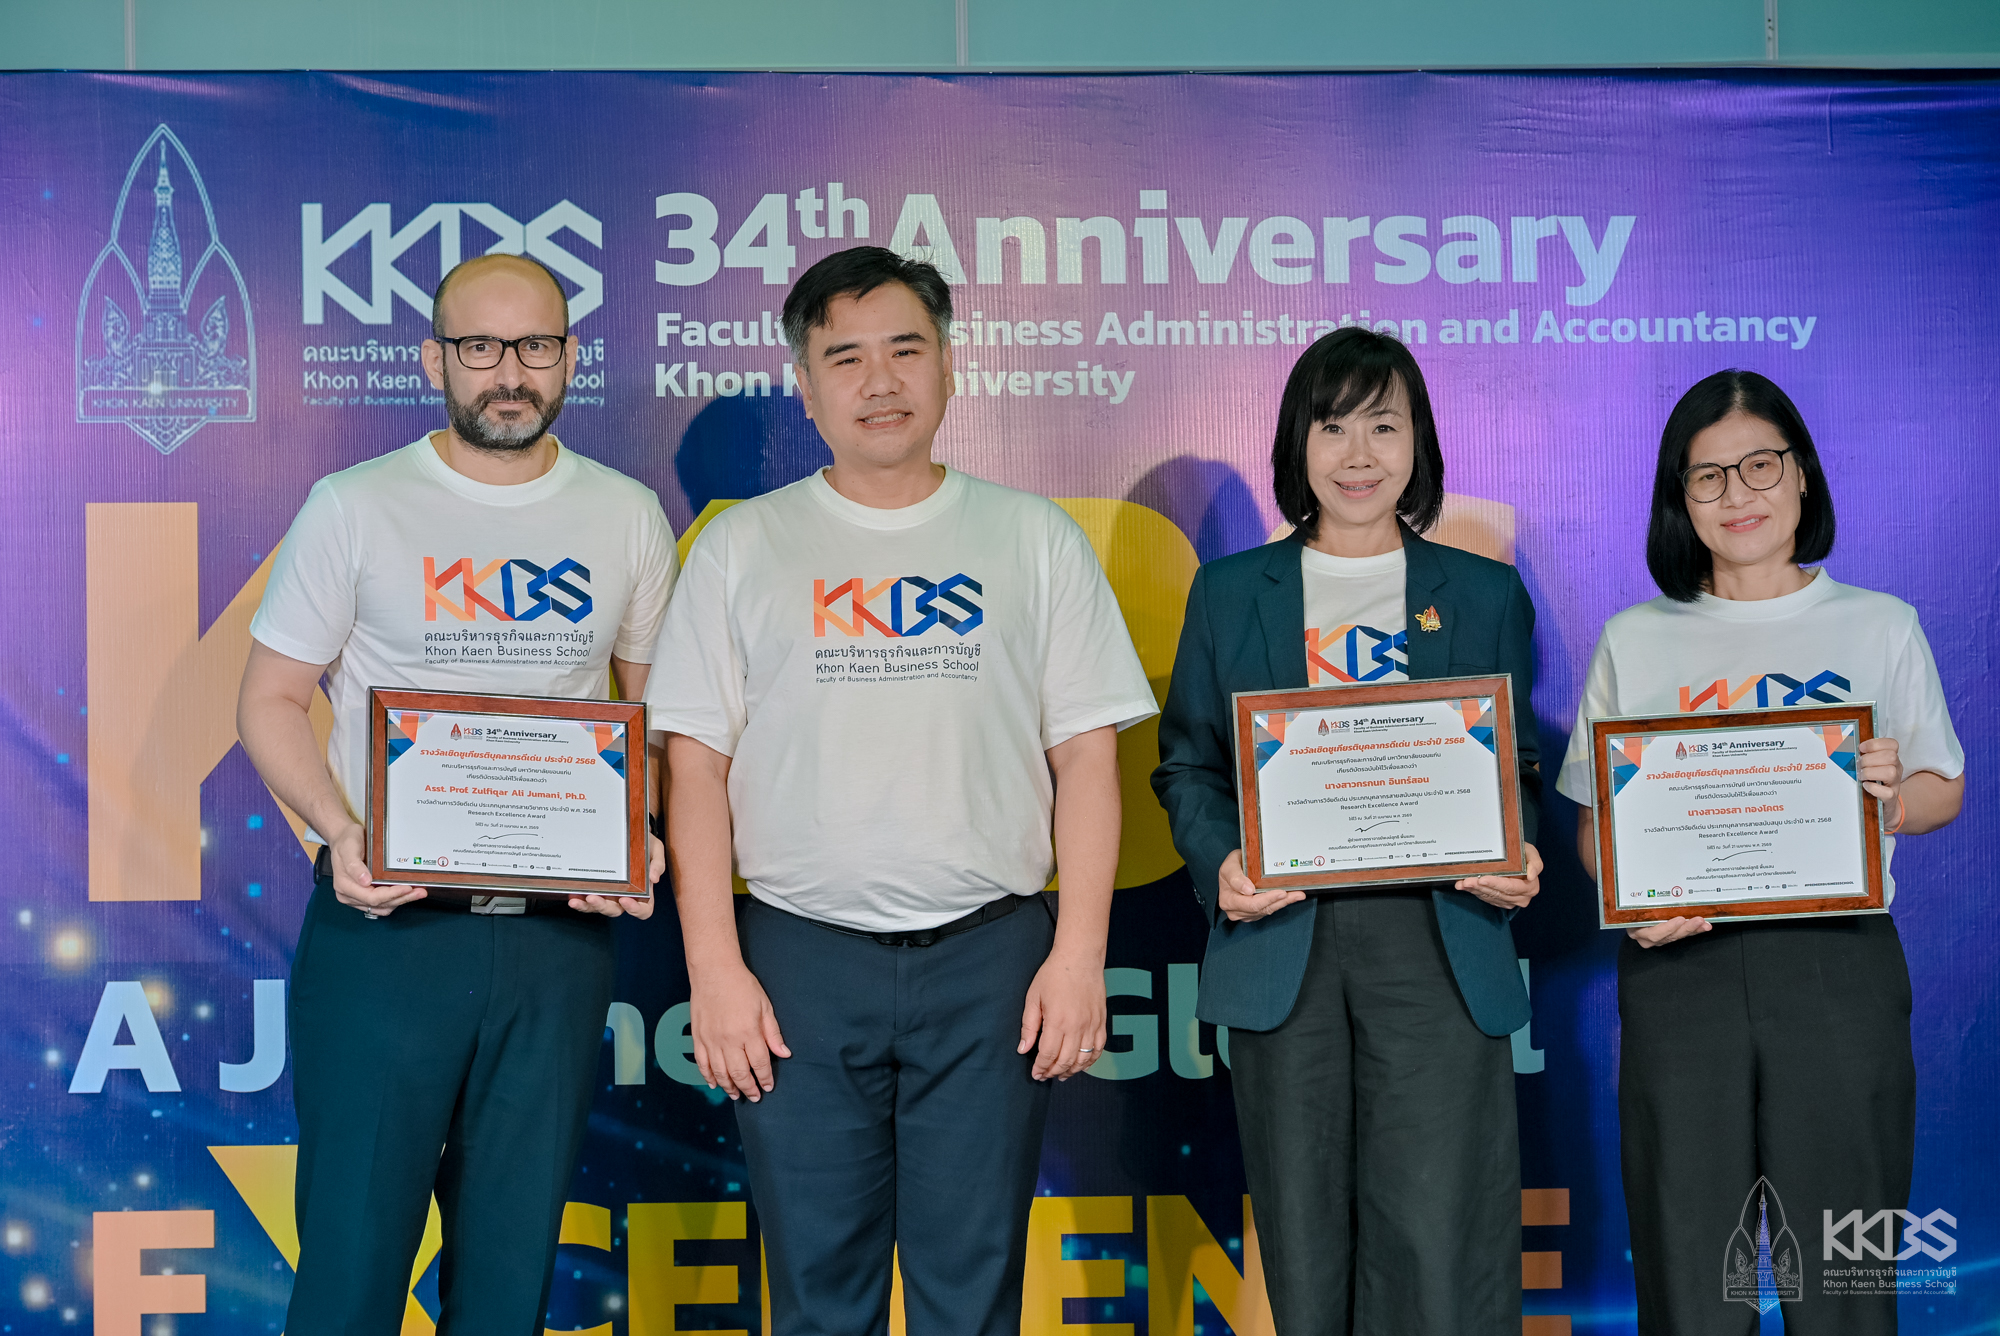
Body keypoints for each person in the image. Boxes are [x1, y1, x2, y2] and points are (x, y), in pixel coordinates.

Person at [646, 245, 1155, 1336]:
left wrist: (1078, 955)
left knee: (971, 1289)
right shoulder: (740, 548)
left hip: (991, 959)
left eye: (904, 350)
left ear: (949, 365)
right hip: (796, 962)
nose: (879, 382)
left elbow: (1086, 761)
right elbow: (694, 769)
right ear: (805, 386)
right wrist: (715, 969)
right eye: (845, 358)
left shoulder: (1032, 538)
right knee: (817, 1292)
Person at [236, 253, 676, 1334]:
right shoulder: (355, 505)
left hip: (556, 942)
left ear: (570, 358)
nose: (508, 372)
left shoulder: (625, 516)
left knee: (509, 1278)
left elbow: (653, 719)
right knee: (348, 1271)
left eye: (535, 346)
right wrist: (337, 831)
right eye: (480, 346)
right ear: (435, 360)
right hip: (385, 930)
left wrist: (639, 831)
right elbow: (269, 701)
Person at [1153, 327, 1544, 1335]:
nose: (1359, 454)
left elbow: (1514, 770)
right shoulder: (1230, 592)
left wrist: (1521, 846)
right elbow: (1189, 762)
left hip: (1438, 939)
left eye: (1384, 425)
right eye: (1333, 427)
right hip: (1286, 940)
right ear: (1298, 442)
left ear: (1419, 443)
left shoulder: (1482, 594)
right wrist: (1221, 859)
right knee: (1304, 1234)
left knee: (1438, 1236)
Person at [1559, 369, 1964, 1334]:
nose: (1737, 495)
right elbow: (1593, 825)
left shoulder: (1880, 623)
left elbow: (1942, 788)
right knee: (1692, 1278)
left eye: (1760, 466)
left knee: (1844, 1283)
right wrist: (1634, 899)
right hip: (1681, 971)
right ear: (1680, 498)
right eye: (1708, 476)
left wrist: (1889, 804)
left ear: (1803, 475)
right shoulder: (1635, 638)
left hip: (1838, 968)